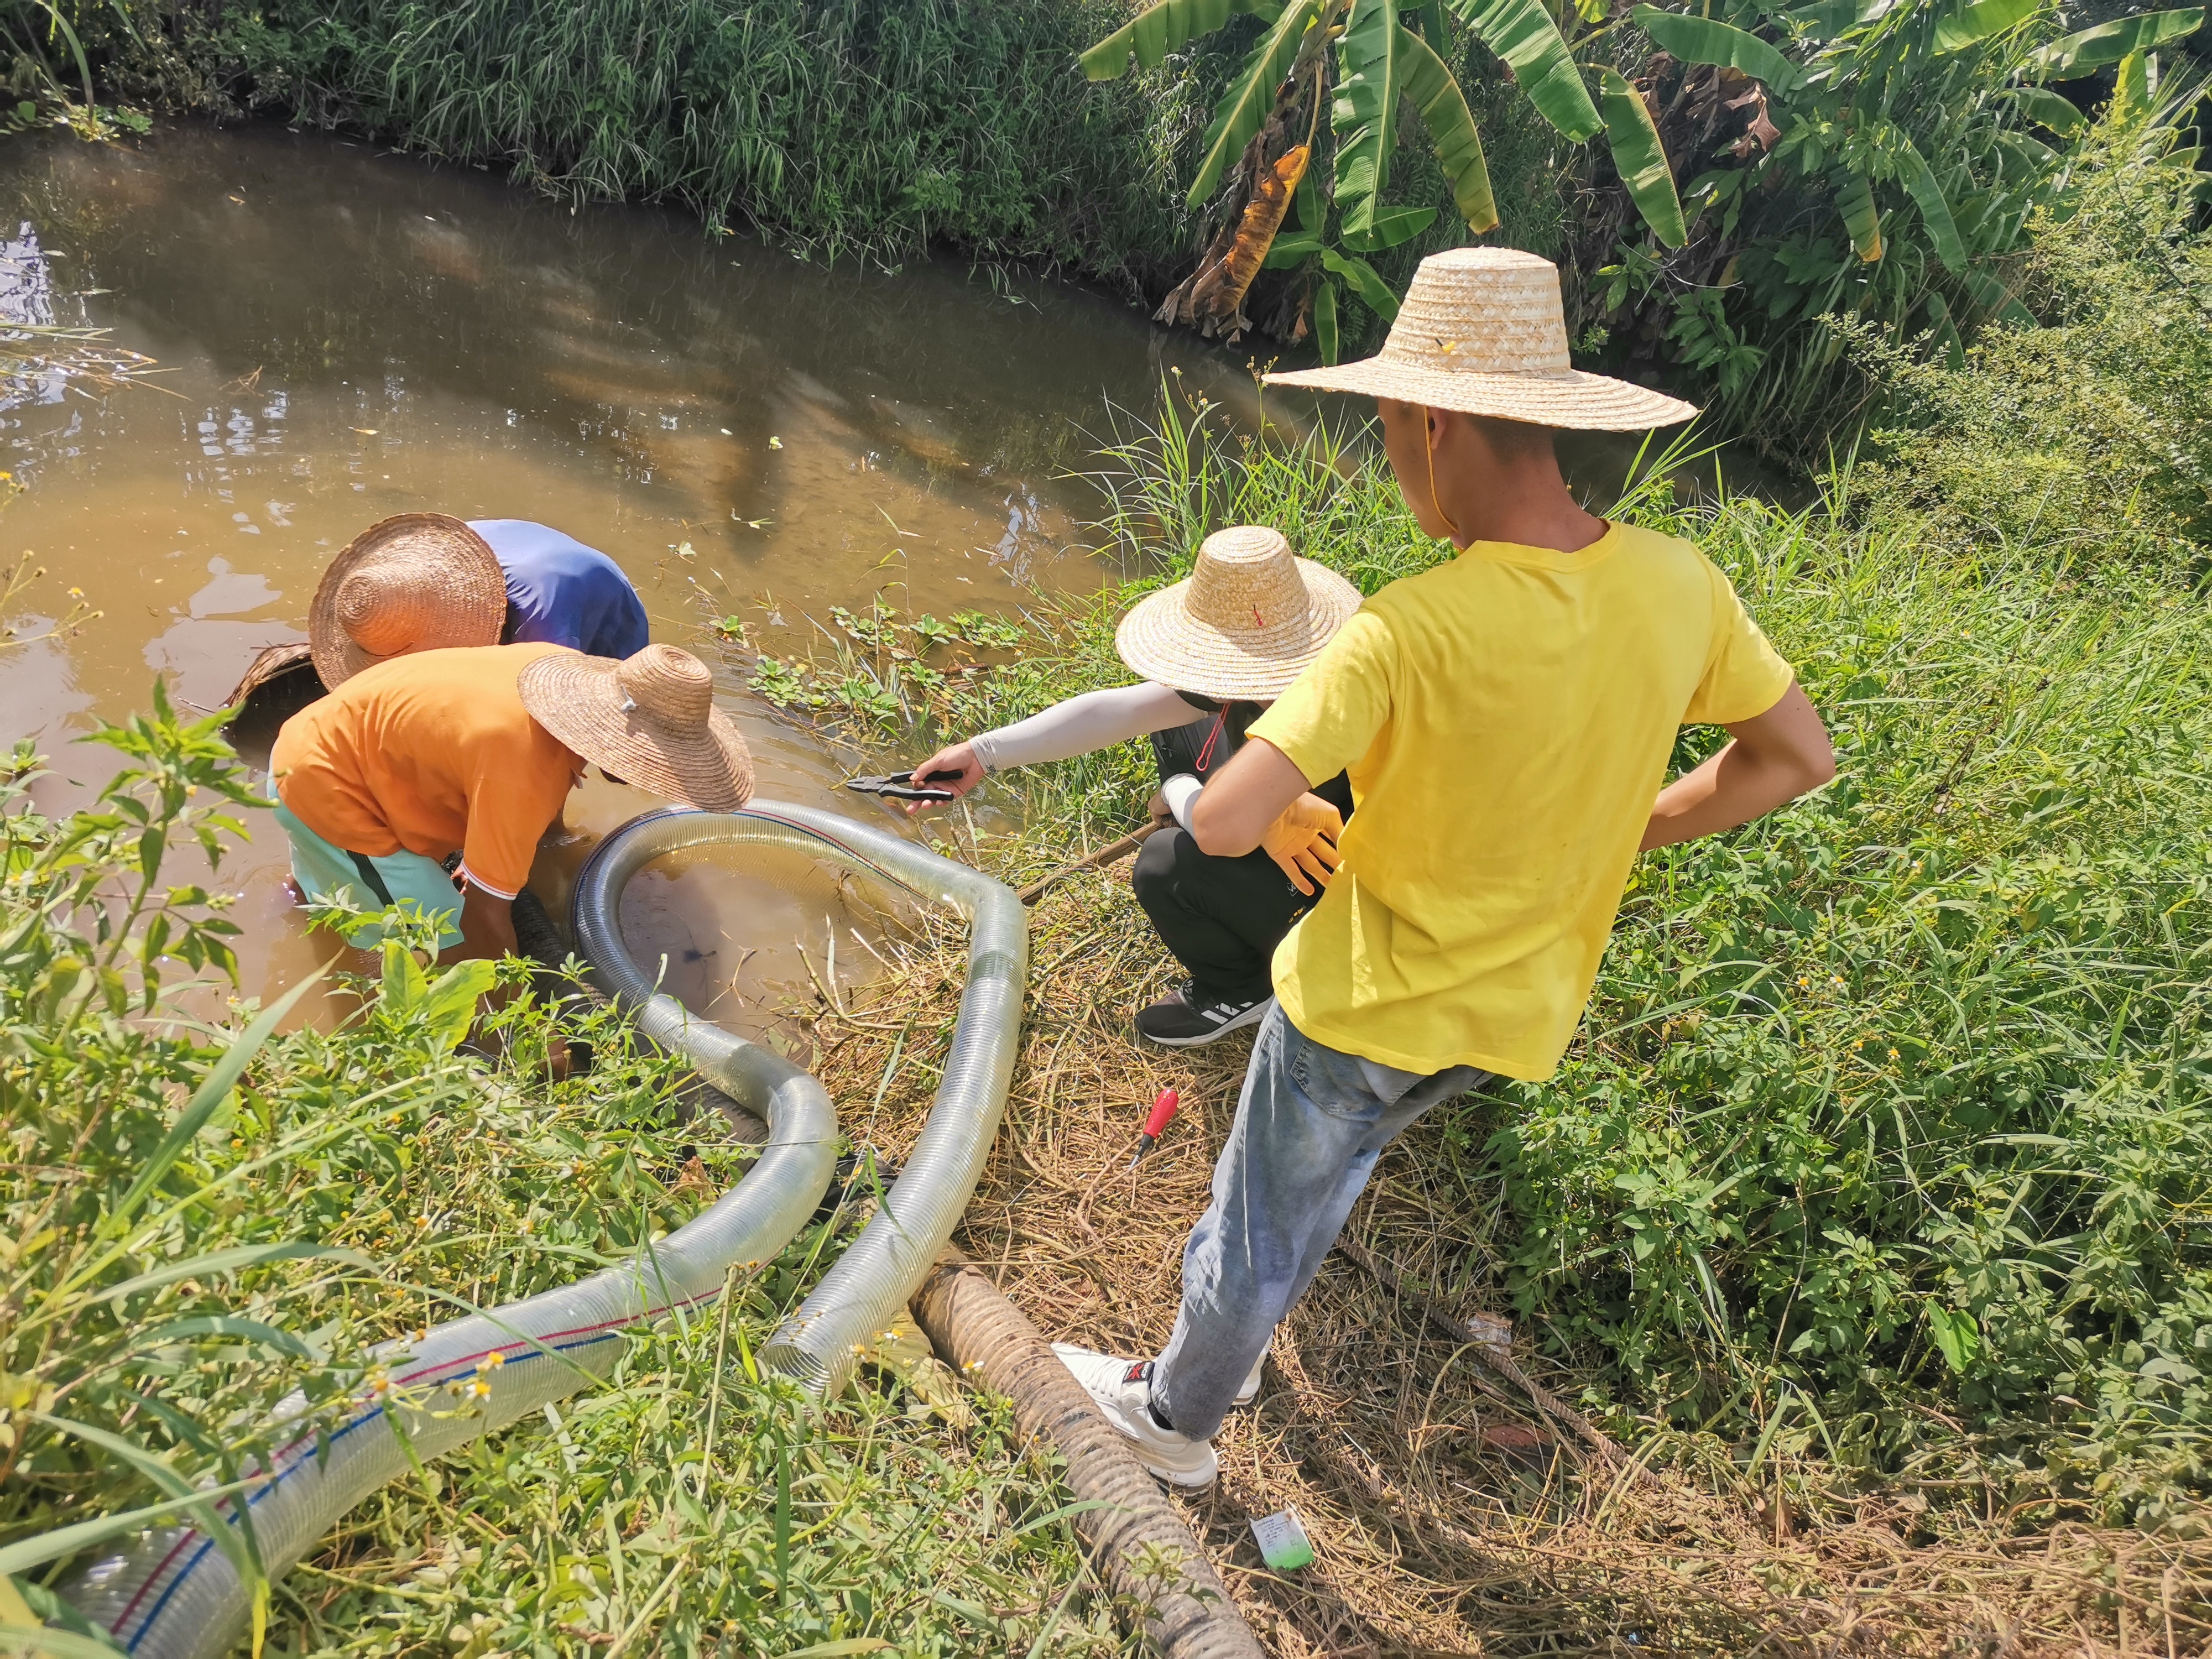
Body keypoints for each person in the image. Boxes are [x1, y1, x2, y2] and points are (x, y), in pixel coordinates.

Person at [1051, 247, 1838, 1488]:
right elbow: (1792, 754)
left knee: (1263, 1220)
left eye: (1380, 425)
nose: (1384, 451)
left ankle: (1175, 1418)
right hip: (1511, 1017)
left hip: (1362, 1002)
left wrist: (1284, 794)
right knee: (1329, 1175)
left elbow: (1215, 824)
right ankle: (1229, 1341)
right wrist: (1622, 825)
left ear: (1426, 423)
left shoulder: (1409, 624)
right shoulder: (1680, 587)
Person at [905, 525, 1359, 1045]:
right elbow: (1118, 710)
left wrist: (1176, 793)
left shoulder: (1328, 716)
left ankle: (1243, 989)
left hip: (1337, 896)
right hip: (1277, 834)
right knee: (1179, 724)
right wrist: (982, 754)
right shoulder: (1280, 680)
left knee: (1166, 864)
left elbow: (1220, 829)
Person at [270, 626, 751, 964]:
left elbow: (520, 763)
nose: (652, 778)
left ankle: (296, 895)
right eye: (658, 764)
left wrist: (546, 841)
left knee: (325, 887)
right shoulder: (520, 771)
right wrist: (518, 1021)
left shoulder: (556, 674)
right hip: (330, 792)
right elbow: (484, 916)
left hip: (333, 739)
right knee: (447, 936)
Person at [305, 513, 648, 687]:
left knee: (602, 707)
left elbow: (547, 700)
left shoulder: (543, 613)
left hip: (578, 584)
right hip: (517, 549)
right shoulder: (403, 578)